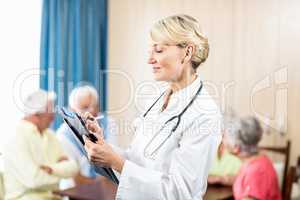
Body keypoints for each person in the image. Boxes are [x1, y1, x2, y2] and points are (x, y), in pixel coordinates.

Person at [83, 14, 222, 199]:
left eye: (158, 50)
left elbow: (181, 193)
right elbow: (136, 160)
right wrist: (103, 147)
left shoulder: (205, 114)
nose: (150, 59)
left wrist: (116, 162)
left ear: (187, 52)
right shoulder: (156, 99)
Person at [2, 90, 78, 200]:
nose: (53, 116)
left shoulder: (51, 135)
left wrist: (51, 169)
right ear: (36, 113)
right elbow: (34, 180)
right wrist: (61, 174)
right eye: (50, 111)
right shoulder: (15, 137)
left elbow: (73, 167)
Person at [56, 85, 118, 188]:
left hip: (106, 189)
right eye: (85, 107)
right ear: (73, 110)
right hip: (75, 191)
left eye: (95, 106)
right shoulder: (63, 135)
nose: (91, 112)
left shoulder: (109, 124)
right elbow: (76, 179)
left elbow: (113, 164)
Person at [223, 116, 281, 200]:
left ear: (236, 148)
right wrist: (221, 179)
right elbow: (246, 182)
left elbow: (254, 179)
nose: (222, 140)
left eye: (224, 137)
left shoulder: (257, 171)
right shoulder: (256, 161)